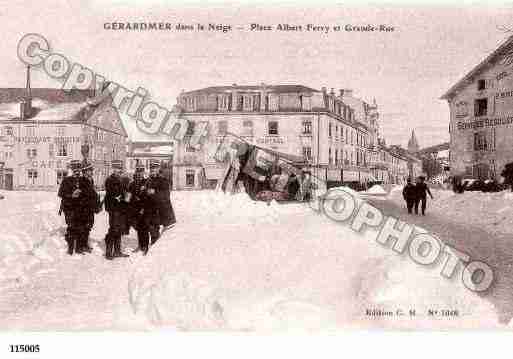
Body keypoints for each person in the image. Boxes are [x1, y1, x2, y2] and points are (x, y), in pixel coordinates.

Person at [57, 160, 88, 255]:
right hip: (70, 208)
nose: (77, 171)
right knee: (71, 228)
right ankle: (70, 248)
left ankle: (78, 248)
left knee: (80, 228)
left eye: (79, 169)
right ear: (72, 170)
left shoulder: (85, 180)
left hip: (81, 209)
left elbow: (89, 193)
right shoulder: (66, 180)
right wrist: (71, 195)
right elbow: (60, 193)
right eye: (75, 169)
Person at [104, 159, 130, 260]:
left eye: (119, 169)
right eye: (116, 169)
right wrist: (124, 195)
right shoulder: (110, 180)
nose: (118, 171)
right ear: (113, 169)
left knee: (118, 229)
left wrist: (126, 194)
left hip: (120, 208)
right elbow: (115, 194)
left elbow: (125, 192)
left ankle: (117, 251)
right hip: (113, 208)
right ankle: (108, 252)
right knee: (113, 229)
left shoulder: (121, 180)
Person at [128, 164, 153, 255]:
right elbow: (129, 196)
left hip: (145, 208)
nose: (139, 173)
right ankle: (140, 245)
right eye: (138, 171)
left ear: (143, 172)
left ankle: (145, 246)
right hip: (135, 209)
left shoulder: (147, 182)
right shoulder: (132, 184)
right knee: (138, 228)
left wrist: (144, 207)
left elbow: (149, 197)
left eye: (141, 171)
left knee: (145, 228)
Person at [145, 160, 168, 245]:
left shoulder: (163, 180)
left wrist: (154, 192)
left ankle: (155, 248)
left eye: (154, 168)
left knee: (155, 229)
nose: (153, 170)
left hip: (158, 210)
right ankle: (153, 246)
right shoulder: (148, 181)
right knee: (151, 229)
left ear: (158, 169)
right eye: (151, 168)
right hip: (149, 209)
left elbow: (166, 195)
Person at [79, 161, 100, 253]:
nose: (91, 171)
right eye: (90, 170)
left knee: (88, 227)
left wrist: (97, 204)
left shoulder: (90, 180)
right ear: (84, 171)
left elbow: (92, 193)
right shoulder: (81, 181)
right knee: (83, 227)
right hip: (84, 208)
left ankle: (84, 244)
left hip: (90, 208)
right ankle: (80, 246)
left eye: (91, 170)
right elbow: (85, 194)